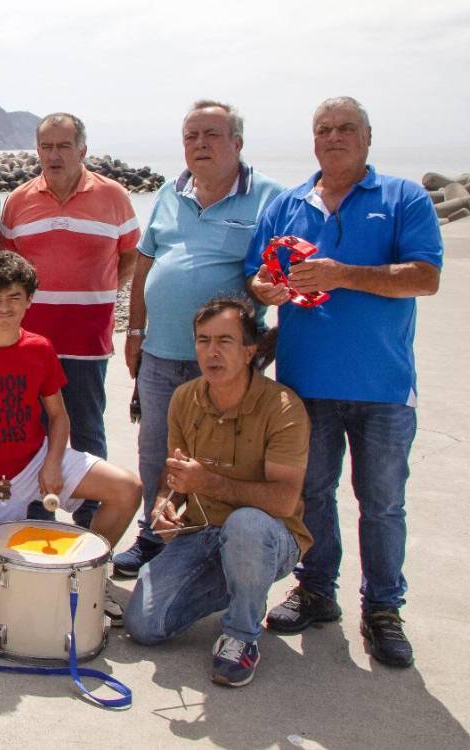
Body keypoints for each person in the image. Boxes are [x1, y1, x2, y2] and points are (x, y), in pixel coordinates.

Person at [247, 96, 441, 668]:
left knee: (381, 504)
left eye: (345, 129)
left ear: (367, 136)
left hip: (383, 386)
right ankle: (316, 590)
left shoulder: (403, 197)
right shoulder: (288, 203)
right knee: (313, 494)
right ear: (314, 140)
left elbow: (425, 276)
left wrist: (342, 275)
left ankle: (383, 608)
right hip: (305, 384)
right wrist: (268, 290)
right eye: (324, 130)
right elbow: (260, 275)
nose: (334, 138)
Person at [113, 101, 285, 577]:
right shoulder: (171, 192)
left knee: (222, 455)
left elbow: (288, 276)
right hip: (160, 352)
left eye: (212, 134)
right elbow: (146, 264)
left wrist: (277, 331)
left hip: (223, 361)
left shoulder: (272, 198)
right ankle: (154, 535)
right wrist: (135, 331)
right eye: (191, 136)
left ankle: (211, 544)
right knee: (156, 449)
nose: (200, 144)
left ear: (237, 143)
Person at [0, 252, 140, 607]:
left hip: (36, 460)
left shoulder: (39, 348)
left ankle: (85, 575)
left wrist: (53, 462)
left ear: (29, 300)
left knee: (128, 489)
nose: (4, 307)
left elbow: (58, 416)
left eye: (14, 297)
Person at [125, 297, 311, 688]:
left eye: (224, 341)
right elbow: (172, 482)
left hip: (268, 536)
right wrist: (164, 509)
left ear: (249, 351)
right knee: (144, 625)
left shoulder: (282, 407)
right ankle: (242, 583)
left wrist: (207, 483)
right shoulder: (186, 397)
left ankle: (242, 636)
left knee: (245, 526)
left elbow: (283, 502)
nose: (212, 352)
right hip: (204, 531)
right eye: (203, 340)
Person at [0, 112, 139, 528]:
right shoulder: (19, 200)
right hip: (30, 344)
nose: (54, 155)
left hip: (87, 341)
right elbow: (8, 266)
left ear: (82, 150)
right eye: (46, 146)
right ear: (37, 150)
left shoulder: (113, 196)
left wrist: (100, 290)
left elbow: (130, 256)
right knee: (33, 432)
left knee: (87, 428)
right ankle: (41, 510)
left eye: (63, 146)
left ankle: (91, 518)